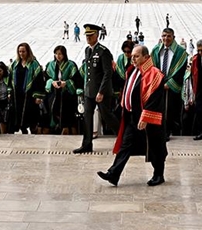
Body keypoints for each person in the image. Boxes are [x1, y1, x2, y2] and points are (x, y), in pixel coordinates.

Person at [96, 44, 167, 186]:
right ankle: (113, 174)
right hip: (132, 117)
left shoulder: (155, 74)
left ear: (146, 57)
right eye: (132, 56)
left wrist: (146, 116)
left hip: (147, 118)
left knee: (154, 146)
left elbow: (154, 99)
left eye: (136, 56)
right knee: (125, 145)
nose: (132, 59)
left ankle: (159, 175)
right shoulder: (133, 71)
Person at [74, 24, 119, 153]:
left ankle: (124, 139)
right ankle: (87, 144)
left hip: (101, 92)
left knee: (107, 117)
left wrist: (101, 91)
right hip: (89, 92)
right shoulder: (88, 50)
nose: (88, 38)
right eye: (87, 36)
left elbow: (107, 73)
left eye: (91, 35)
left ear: (97, 35)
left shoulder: (103, 51)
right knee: (87, 117)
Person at [151, 27, 188, 140]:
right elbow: (152, 67)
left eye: (168, 36)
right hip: (158, 83)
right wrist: (157, 81)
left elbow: (180, 70)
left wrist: (169, 83)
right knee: (158, 108)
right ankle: (159, 130)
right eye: (164, 36)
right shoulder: (156, 50)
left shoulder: (180, 52)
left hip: (172, 85)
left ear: (173, 37)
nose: (166, 39)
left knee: (170, 109)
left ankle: (167, 131)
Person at [8, 42, 45, 134]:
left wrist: (38, 96)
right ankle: (22, 132)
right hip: (17, 95)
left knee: (30, 117)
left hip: (29, 95)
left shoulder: (34, 64)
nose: (21, 53)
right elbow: (9, 78)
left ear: (28, 52)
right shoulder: (15, 64)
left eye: (23, 51)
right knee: (18, 116)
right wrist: (10, 92)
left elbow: (39, 80)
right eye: (19, 51)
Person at [43, 45, 80, 135]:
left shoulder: (71, 65)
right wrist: (52, 82)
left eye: (60, 54)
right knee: (53, 111)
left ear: (64, 54)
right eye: (56, 54)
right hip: (54, 93)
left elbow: (76, 79)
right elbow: (47, 77)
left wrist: (66, 83)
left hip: (67, 94)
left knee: (67, 114)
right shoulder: (50, 65)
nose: (58, 56)